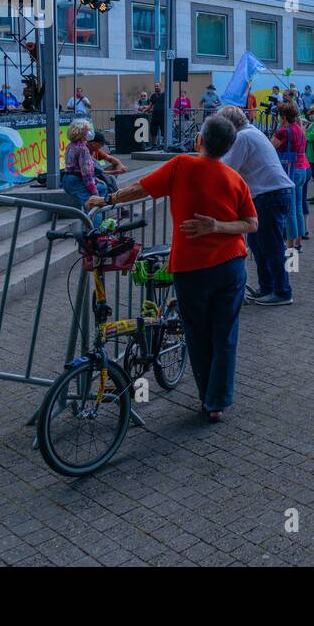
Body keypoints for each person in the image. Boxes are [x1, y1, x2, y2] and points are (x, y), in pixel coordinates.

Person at [89, 115, 257, 423]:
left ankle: (208, 397)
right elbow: (251, 224)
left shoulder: (182, 165)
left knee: (198, 334)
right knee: (225, 334)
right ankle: (216, 402)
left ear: (200, 141)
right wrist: (219, 226)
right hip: (231, 265)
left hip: (192, 269)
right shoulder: (235, 178)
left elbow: (141, 188)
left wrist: (107, 199)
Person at [219, 105, 294, 307]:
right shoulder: (253, 133)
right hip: (272, 194)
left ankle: (281, 291)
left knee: (270, 247)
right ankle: (268, 287)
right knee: (260, 246)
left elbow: (226, 168)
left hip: (268, 196)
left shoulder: (242, 138)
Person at [272, 102, 310, 253]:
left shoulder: (283, 132)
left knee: (290, 210)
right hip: (302, 169)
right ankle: (299, 242)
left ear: (283, 117)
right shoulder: (300, 131)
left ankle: (290, 246)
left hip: (290, 171)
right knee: (299, 206)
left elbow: (269, 147)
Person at [61, 119, 101, 223]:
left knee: (101, 190)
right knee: (94, 203)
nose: (90, 133)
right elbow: (86, 173)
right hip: (77, 179)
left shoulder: (70, 146)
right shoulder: (83, 148)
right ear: (82, 132)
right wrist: (94, 190)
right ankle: (97, 232)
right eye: (87, 130)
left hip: (67, 179)